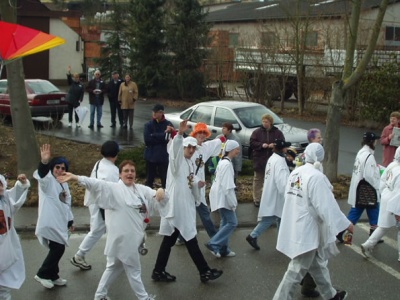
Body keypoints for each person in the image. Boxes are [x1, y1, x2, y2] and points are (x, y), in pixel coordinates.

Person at [58, 160, 165, 300]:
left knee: (114, 267)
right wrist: (76, 178)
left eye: (132, 171)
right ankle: (144, 298)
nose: (130, 173)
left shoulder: (139, 189)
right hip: (123, 239)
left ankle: (100, 295)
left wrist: (160, 192)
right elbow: (95, 183)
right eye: (126, 171)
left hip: (134, 236)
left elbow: (154, 195)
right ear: (120, 174)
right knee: (134, 269)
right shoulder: (113, 189)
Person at [272, 143, 352, 300]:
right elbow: (326, 206)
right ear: (321, 158)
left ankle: (330, 295)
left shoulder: (296, 172)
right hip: (307, 230)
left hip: (296, 224)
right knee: (296, 270)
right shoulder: (316, 177)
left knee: (317, 263)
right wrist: (344, 225)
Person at [151, 120, 223, 283]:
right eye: (188, 147)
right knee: (190, 237)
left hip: (183, 206)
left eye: (193, 148)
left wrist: (198, 183)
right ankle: (204, 271)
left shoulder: (190, 163)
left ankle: (158, 271)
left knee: (170, 240)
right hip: (178, 207)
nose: (191, 150)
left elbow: (191, 179)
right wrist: (180, 135)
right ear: (183, 148)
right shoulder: (177, 162)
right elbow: (175, 152)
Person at [70, 141, 120, 271]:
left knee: (101, 230)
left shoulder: (99, 163)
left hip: (94, 201)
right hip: (103, 205)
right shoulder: (113, 170)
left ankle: (115, 257)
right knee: (100, 230)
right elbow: (113, 190)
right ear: (116, 154)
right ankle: (79, 255)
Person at [176, 122, 224, 245]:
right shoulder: (187, 146)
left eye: (204, 133)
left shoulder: (206, 147)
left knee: (201, 214)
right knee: (194, 214)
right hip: (189, 187)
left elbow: (218, 142)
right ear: (195, 134)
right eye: (199, 133)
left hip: (199, 187)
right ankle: (215, 240)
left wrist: (223, 137)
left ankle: (183, 237)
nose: (201, 135)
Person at [33, 144, 74, 289]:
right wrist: (44, 162)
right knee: (58, 248)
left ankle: (53, 275)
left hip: (60, 223)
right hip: (49, 222)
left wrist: (70, 221)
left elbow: (66, 204)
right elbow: (42, 176)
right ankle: (42, 274)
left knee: (57, 247)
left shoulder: (64, 184)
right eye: (57, 167)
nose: (60, 170)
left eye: (63, 168)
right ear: (52, 168)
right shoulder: (48, 181)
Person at [246, 139, 291, 251]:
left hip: (271, 192)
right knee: (272, 217)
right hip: (277, 195)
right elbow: (281, 181)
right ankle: (253, 236)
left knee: (280, 217)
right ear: (282, 148)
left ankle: (283, 241)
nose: (287, 149)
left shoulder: (272, 158)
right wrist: (287, 193)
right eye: (286, 147)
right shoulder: (280, 161)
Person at [338, 132, 381, 243]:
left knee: (366, 209)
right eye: (375, 140)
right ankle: (343, 232)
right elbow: (369, 176)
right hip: (366, 190)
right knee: (370, 208)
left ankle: (373, 233)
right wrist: (378, 186)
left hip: (358, 189)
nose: (376, 142)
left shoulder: (361, 153)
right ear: (372, 142)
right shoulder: (369, 156)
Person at [361, 146, 400, 259]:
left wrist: (383, 193)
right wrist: (397, 211)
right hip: (395, 200)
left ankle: (368, 244)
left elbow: (382, 180)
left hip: (386, 196)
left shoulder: (392, 165)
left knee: (383, 226)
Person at [206, 140, 240, 258]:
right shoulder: (226, 164)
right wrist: (233, 203)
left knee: (225, 222)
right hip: (223, 197)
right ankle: (214, 243)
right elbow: (227, 186)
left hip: (219, 196)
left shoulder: (224, 162)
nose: (238, 151)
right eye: (236, 149)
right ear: (230, 150)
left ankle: (223, 249)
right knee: (232, 222)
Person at [0, 174, 30, 300]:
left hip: (6, 249)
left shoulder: (5, 199)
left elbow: (16, 197)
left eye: (0, 184)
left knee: (4, 285)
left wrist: (22, 184)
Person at [250, 114, 285, 207]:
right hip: (260, 159)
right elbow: (252, 143)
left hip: (272, 159)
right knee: (258, 179)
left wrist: (274, 145)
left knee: (271, 181)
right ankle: (256, 198)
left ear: (271, 122)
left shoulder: (277, 132)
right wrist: (261, 145)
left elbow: (282, 143)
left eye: (266, 122)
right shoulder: (257, 132)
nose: (265, 123)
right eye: (263, 122)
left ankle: (269, 199)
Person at [144, 104, 175, 189]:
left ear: (161, 113)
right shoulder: (148, 124)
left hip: (163, 157)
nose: (153, 113)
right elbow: (147, 140)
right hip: (150, 156)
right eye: (153, 111)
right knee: (149, 180)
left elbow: (168, 138)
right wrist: (162, 135)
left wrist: (154, 135)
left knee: (165, 179)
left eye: (156, 112)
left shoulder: (168, 124)